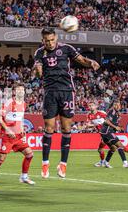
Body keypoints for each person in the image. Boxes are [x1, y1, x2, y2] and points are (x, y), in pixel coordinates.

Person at [33, 27, 100, 179]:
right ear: (42, 40)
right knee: (49, 128)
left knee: (66, 128)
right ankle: (45, 163)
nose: (49, 43)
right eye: (46, 41)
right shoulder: (39, 52)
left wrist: (91, 62)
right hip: (50, 92)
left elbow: (82, 60)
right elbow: (39, 74)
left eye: (52, 40)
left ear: (55, 37)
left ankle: (63, 165)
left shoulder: (66, 48)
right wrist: (37, 69)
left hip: (67, 92)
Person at [0, 84, 35, 188]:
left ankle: (24, 176)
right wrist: (8, 129)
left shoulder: (23, 104)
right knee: (1, 159)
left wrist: (22, 129)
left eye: (22, 90)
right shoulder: (9, 103)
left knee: (29, 154)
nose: (21, 91)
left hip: (18, 136)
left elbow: (20, 118)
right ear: (14, 91)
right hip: (7, 136)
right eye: (18, 89)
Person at [100, 101, 128, 168]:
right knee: (119, 145)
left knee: (113, 148)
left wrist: (119, 127)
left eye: (118, 105)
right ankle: (127, 159)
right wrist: (115, 127)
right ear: (114, 106)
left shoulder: (117, 114)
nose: (117, 106)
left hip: (104, 132)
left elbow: (114, 123)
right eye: (116, 105)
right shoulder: (112, 111)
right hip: (107, 131)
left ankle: (106, 162)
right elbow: (107, 121)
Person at [86, 101, 108, 167]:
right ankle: (103, 162)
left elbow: (109, 121)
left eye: (92, 105)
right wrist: (93, 125)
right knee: (102, 149)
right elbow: (88, 125)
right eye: (89, 106)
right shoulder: (89, 115)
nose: (90, 107)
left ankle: (104, 162)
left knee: (102, 149)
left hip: (107, 132)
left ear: (96, 106)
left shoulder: (102, 113)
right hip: (102, 134)